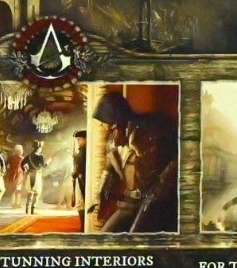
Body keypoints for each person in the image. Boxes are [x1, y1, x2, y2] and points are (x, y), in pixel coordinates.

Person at [92, 89, 179, 232]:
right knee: (106, 236)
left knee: (137, 236)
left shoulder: (145, 131)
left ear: (113, 117)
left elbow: (162, 172)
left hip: (155, 204)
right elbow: (109, 171)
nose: (102, 125)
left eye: (103, 121)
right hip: (129, 202)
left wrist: (138, 150)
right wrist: (101, 199)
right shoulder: (113, 142)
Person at [20, 141, 47, 215]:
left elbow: (22, 164)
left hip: (30, 175)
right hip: (37, 175)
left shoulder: (28, 156)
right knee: (37, 193)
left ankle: (27, 208)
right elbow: (44, 166)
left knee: (30, 192)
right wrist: (48, 163)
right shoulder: (40, 156)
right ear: (39, 148)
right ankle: (32, 209)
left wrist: (25, 169)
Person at [71, 130, 87, 209]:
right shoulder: (82, 150)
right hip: (80, 178)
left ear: (85, 139)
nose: (78, 142)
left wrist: (74, 175)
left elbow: (80, 166)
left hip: (83, 177)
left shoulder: (84, 151)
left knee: (84, 198)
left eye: (79, 139)